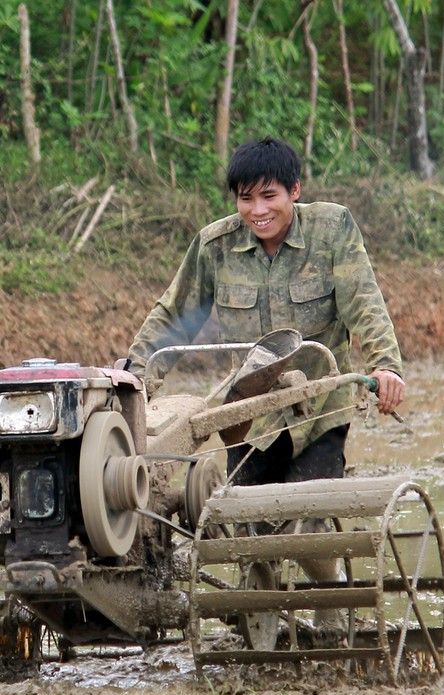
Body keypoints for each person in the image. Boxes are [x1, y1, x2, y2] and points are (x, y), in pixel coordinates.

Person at [125, 137, 405, 634]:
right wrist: (136, 375)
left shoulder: (332, 229)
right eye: (245, 199)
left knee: (308, 513)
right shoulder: (215, 246)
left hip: (319, 403)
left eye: (269, 196)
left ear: (294, 191)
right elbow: (175, 314)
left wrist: (386, 367)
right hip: (248, 411)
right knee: (243, 521)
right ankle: (259, 623)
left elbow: (364, 301)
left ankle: (330, 602)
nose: (257, 210)